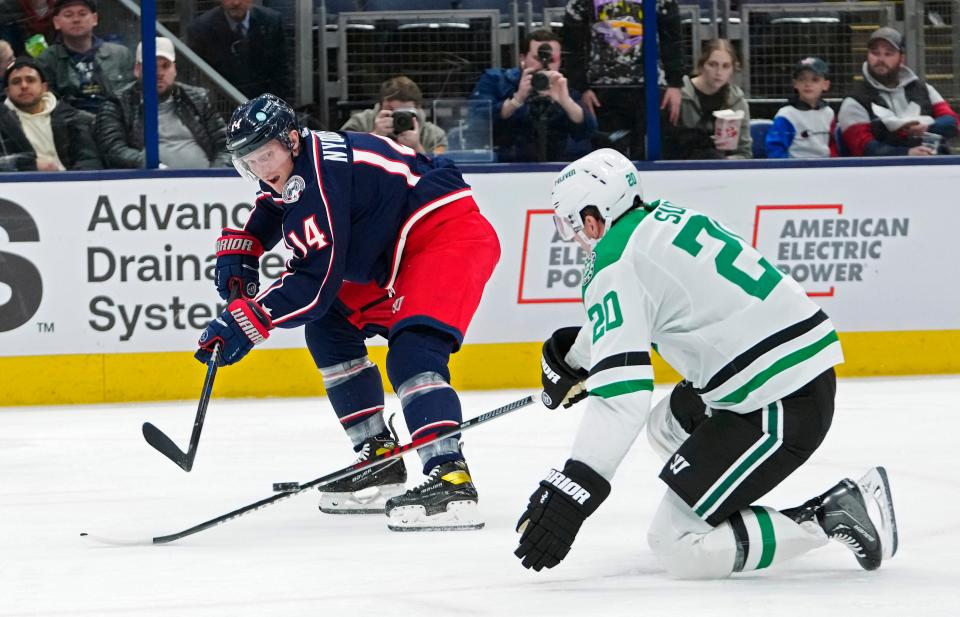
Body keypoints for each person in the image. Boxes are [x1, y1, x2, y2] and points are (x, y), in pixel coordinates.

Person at [515, 148, 898, 578]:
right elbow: (637, 304)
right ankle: (725, 499)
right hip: (783, 376)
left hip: (776, 405)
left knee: (676, 547)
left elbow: (622, 398)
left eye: (572, 226)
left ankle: (830, 515)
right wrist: (574, 360)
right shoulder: (662, 218)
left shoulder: (613, 263)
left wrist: (574, 487)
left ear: (592, 218)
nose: (576, 240)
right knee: (667, 426)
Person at [194, 94, 501, 531]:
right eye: (251, 161)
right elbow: (276, 203)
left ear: (291, 140)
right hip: (395, 249)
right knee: (329, 323)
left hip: (446, 235)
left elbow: (315, 282)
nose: (262, 169)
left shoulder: (318, 177)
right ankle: (379, 454)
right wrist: (246, 244)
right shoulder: (300, 164)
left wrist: (247, 319)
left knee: (414, 352)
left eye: (266, 155)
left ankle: (449, 474)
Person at [562, 0, 684, 159]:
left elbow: (673, 38)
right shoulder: (580, 3)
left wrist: (675, 83)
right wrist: (581, 87)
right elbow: (572, 45)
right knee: (607, 158)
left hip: (652, 90)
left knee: (653, 156)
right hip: (601, 92)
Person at [95, 37, 230, 169]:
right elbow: (113, 149)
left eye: (165, 66)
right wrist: (153, 168)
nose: (159, 73)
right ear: (137, 69)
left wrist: (216, 174)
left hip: (206, 185)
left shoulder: (198, 99)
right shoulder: (117, 103)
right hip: (148, 185)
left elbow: (227, 145)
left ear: (174, 69)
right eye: (151, 66)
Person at [470, 28, 597, 162]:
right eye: (538, 58)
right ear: (522, 58)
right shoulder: (495, 80)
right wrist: (517, 100)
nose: (544, 65)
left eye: (552, 59)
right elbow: (478, 122)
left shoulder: (566, 86)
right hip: (504, 164)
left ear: (560, 62)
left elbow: (588, 131)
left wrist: (565, 102)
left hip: (555, 165)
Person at [838, 27, 958, 157]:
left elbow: (953, 123)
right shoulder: (854, 100)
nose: (880, 59)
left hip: (933, 165)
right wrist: (907, 154)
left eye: (888, 54)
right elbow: (864, 149)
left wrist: (926, 127)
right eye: (875, 53)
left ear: (901, 59)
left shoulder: (924, 89)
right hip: (881, 173)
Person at [34, 0, 134, 115]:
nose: (76, 20)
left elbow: (132, 99)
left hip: (117, 124)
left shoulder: (120, 55)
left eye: (82, 14)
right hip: (69, 128)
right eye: (68, 15)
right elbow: (48, 106)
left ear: (94, 19)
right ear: (56, 22)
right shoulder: (46, 61)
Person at [0, 55, 99, 170]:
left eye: (30, 80)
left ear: (44, 87)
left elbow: (90, 161)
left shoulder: (71, 117)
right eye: (16, 82)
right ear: (7, 91)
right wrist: (31, 165)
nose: (24, 86)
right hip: (21, 185)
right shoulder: (3, 122)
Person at [663, 39, 751, 160]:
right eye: (712, 64)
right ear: (701, 65)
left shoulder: (737, 101)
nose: (719, 72)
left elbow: (745, 153)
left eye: (725, 66)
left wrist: (724, 161)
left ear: (732, 70)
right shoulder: (678, 95)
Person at [186, 0, 291, 100]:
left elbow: (281, 72)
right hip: (221, 104)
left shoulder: (271, 21)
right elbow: (198, 79)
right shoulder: (201, 29)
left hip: (264, 103)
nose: (236, 3)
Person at [340, 75, 447, 156]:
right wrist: (374, 136)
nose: (399, 118)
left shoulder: (434, 136)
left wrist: (417, 147)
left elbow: (439, 172)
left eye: (405, 112)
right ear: (380, 107)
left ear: (418, 109)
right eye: (391, 111)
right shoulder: (359, 123)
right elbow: (340, 157)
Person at [766, 57, 837, 158]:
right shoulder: (786, 115)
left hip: (824, 168)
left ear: (826, 85)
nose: (808, 84)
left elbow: (833, 146)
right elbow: (776, 149)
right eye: (802, 79)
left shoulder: (829, 113)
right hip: (795, 169)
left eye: (815, 80)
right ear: (795, 84)